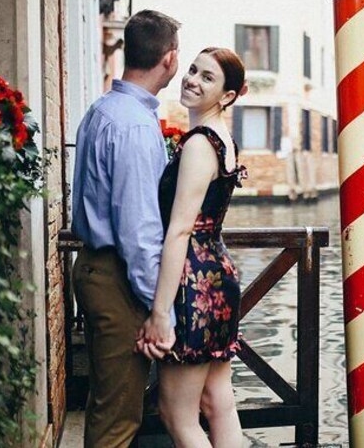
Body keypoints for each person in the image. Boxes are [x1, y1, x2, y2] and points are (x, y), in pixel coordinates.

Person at [71, 9, 181, 447]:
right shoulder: (134, 125)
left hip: (96, 269)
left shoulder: (103, 109)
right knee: (118, 421)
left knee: (107, 406)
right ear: (169, 58)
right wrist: (161, 312)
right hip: (118, 279)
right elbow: (139, 233)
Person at [137, 47, 248, 447]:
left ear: (228, 96)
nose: (192, 80)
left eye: (207, 77)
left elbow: (181, 230)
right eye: (193, 70)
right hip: (218, 276)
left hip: (193, 285)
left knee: (177, 414)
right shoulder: (224, 139)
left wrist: (159, 313)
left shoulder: (201, 144)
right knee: (218, 403)